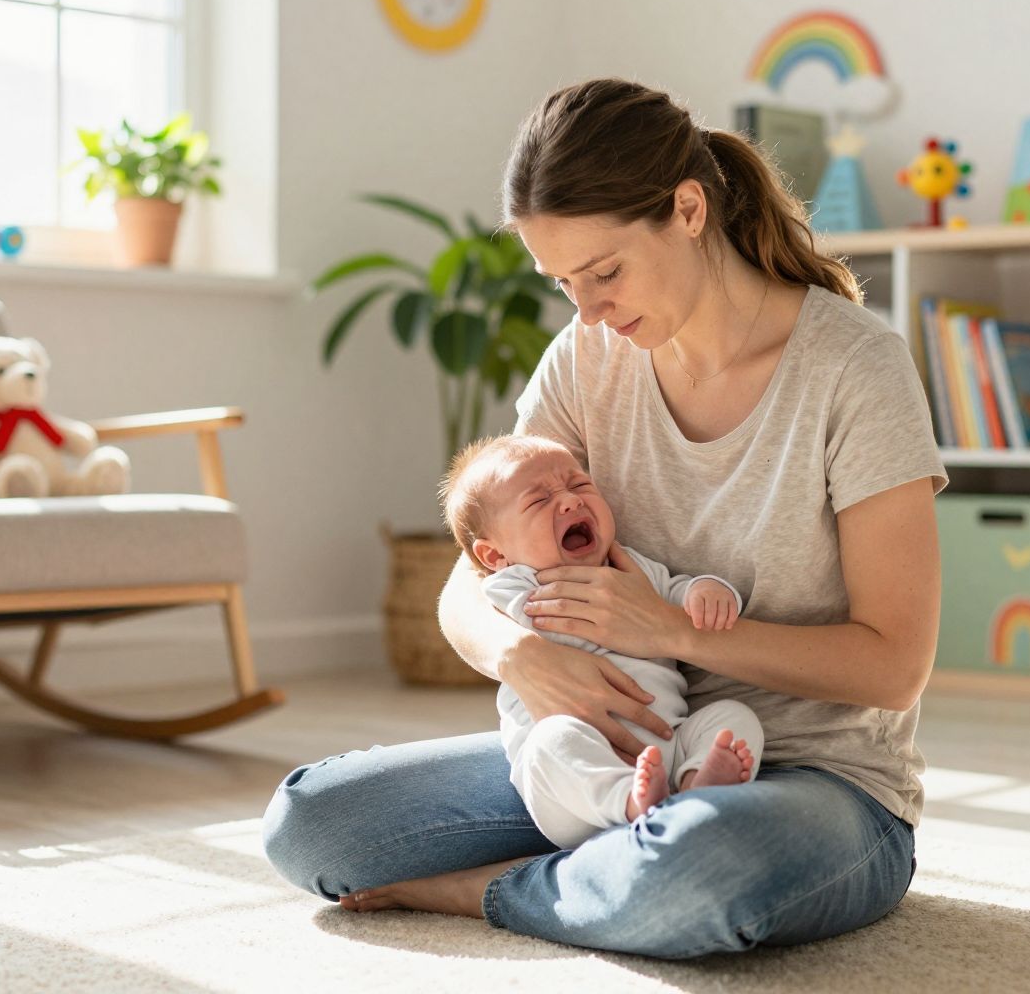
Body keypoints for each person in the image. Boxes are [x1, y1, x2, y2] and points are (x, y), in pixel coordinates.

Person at [263, 77, 947, 959]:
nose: (585, 310)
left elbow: (895, 667)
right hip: (609, 753)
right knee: (314, 823)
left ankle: (488, 891)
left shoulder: (855, 368)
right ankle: (606, 871)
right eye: (562, 283)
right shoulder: (587, 357)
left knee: (701, 868)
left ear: (689, 210)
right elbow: (473, 576)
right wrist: (521, 656)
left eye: (605, 273)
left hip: (819, 785)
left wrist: (673, 631)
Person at [441, 432, 764, 849]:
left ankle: (695, 788)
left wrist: (708, 591)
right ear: (495, 556)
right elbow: (471, 614)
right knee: (551, 741)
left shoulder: (631, 567)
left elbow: (678, 591)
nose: (570, 501)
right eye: (539, 501)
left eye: (579, 484)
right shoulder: (512, 586)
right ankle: (629, 800)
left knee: (732, 718)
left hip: (668, 748)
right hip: (572, 794)